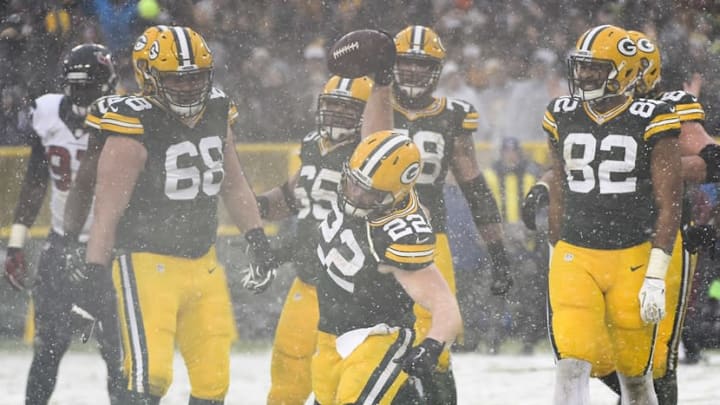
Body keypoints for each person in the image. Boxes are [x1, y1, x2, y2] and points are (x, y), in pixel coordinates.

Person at [78, 26, 277, 404]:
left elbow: (233, 184)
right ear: (148, 76)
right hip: (145, 262)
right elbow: (106, 213)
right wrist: (94, 274)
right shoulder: (132, 123)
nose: (188, 87)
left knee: (213, 380)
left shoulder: (217, 110)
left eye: (196, 77)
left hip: (203, 262)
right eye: (176, 79)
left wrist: (256, 237)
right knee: (150, 376)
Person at [543, 25, 682, 404]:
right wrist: (554, 253)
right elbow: (558, 185)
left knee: (636, 378)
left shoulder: (652, 116)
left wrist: (656, 275)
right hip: (576, 252)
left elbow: (670, 202)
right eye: (581, 66)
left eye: (595, 68)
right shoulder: (561, 112)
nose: (583, 75)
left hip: (633, 257)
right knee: (571, 363)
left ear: (622, 70)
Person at [391, 25, 512, 402]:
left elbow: (474, 188)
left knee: (436, 342)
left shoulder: (451, 116)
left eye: (421, 64)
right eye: (406, 63)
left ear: (437, 70)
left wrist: (498, 253)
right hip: (373, 238)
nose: (412, 71)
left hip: (429, 237)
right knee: (379, 336)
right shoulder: (373, 105)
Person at [3, 43, 124, 405]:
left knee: (118, 352)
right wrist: (16, 242)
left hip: (113, 248)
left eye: (91, 87)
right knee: (50, 346)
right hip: (62, 246)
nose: (83, 95)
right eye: (77, 87)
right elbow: (35, 181)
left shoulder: (128, 120)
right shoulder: (47, 113)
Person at [312, 129, 462, 405]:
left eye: (368, 192)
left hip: (377, 338)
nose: (355, 194)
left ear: (394, 194)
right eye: (353, 183)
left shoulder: (399, 232)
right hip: (331, 338)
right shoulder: (360, 182)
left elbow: (446, 306)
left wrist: (432, 345)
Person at [258, 74, 373, 405]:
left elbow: (345, 222)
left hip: (348, 286)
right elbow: (295, 196)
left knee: (336, 380)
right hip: (308, 280)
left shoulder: (366, 153)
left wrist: (282, 251)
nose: (337, 114)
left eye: (347, 108)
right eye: (332, 105)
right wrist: (255, 207)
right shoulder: (314, 144)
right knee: (287, 369)